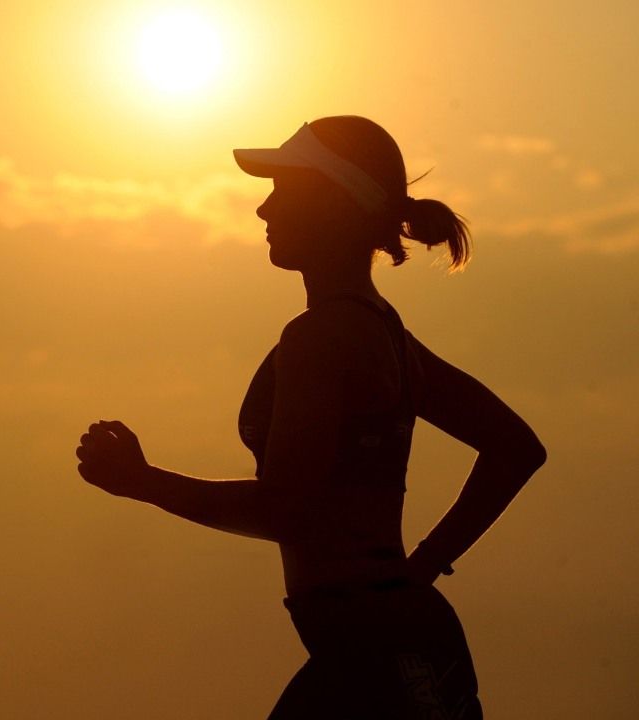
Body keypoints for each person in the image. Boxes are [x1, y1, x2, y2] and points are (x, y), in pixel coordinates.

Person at [74, 116, 546, 719]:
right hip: (392, 646)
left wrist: (144, 483)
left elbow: (286, 510)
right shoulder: (382, 332)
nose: (263, 211)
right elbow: (516, 448)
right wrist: (420, 568)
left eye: (282, 190)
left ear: (332, 202)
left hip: (375, 660)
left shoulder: (323, 336)